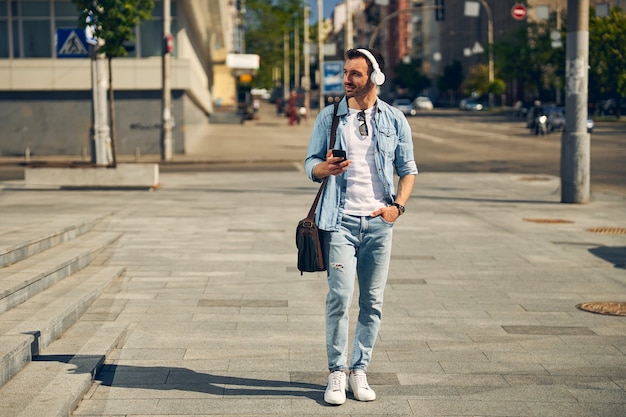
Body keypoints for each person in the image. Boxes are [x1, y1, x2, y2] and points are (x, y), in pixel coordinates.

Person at [304, 48, 418, 405]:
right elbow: (310, 163)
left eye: (355, 73)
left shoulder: (395, 119)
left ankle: (359, 370)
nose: (347, 80)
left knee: (373, 301)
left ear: (374, 77)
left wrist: (397, 207)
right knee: (340, 296)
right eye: (346, 73)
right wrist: (324, 169)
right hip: (338, 221)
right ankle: (336, 372)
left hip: (379, 223)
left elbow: (408, 169)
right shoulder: (330, 116)